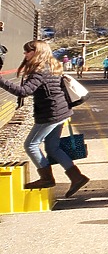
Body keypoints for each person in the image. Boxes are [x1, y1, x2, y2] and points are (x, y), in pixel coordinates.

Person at [0, 40, 90, 196]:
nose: (25, 54)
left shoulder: (39, 71)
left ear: (37, 52)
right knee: (52, 147)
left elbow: (24, 91)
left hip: (51, 114)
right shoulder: (51, 66)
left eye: (27, 51)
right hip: (60, 111)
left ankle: (46, 178)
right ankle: (77, 177)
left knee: (31, 145)